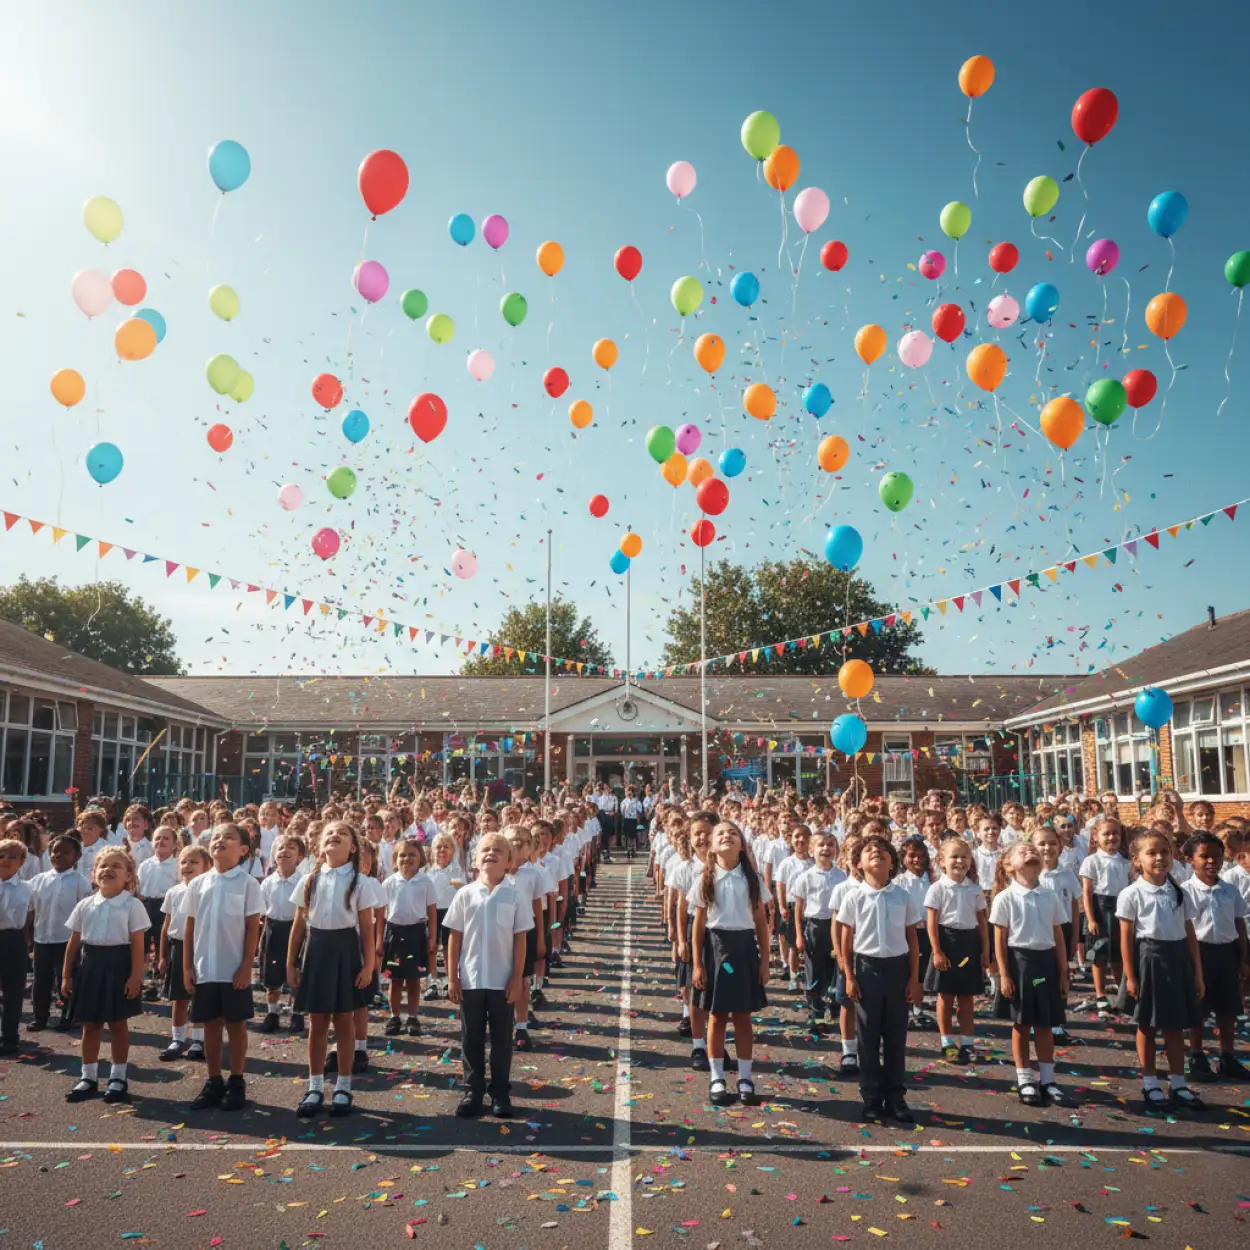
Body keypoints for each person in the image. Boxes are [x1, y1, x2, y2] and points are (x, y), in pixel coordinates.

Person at [288, 821, 376, 1119]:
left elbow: (366, 927)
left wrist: (369, 965)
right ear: (318, 845)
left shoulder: (360, 881)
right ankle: (314, 1086)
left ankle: (343, 1085)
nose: (334, 835)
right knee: (317, 1021)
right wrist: (291, 962)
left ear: (353, 847)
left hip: (345, 950)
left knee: (344, 1019)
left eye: (343, 833)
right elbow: (299, 924)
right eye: (329, 833)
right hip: (317, 950)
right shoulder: (309, 879)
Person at [446, 831, 532, 1120]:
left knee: (501, 1040)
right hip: (470, 980)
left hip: (502, 980)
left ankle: (500, 1092)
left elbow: (520, 939)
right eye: (485, 849)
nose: (490, 854)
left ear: (509, 861)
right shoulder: (465, 894)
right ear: (475, 859)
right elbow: (454, 938)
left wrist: (517, 977)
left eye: (498, 850)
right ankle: (473, 1090)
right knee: (470, 1038)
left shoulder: (515, 895)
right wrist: (452, 977)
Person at [1117, 830, 1206, 1111]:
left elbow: (1189, 933)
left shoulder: (1179, 892)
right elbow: (1126, 937)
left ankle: (1178, 1083)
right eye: (1151, 853)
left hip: (1177, 960)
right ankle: (1150, 1082)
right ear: (1137, 860)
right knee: (1147, 1024)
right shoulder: (1132, 894)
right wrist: (1130, 976)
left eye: (1165, 852)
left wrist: (1198, 973)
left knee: (1175, 1025)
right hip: (1149, 960)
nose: (1159, 858)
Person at [838, 835, 922, 1123]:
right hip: (866, 969)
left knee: (896, 1037)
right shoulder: (854, 896)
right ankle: (872, 1096)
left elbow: (912, 938)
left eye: (882, 850)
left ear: (892, 862)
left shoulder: (902, 896)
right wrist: (849, 976)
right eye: (869, 851)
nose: (876, 853)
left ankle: (896, 1096)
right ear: (859, 864)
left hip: (897, 970)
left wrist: (914, 979)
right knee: (868, 1037)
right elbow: (846, 942)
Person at [181, 822, 263, 1112]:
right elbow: (190, 927)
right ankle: (213, 1080)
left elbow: (253, 927)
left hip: (233, 968)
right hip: (205, 968)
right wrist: (187, 967)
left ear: (242, 850)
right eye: (216, 837)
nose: (220, 840)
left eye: (228, 837)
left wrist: (245, 966)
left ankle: (237, 1081)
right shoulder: (199, 884)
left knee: (236, 1026)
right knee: (210, 1026)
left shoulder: (248, 883)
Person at [691, 821, 770, 1108]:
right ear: (712, 846)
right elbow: (699, 924)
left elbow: (761, 922)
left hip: (744, 949)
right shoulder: (705, 878)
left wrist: (765, 961)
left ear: (742, 845)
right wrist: (697, 964)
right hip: (716, 949)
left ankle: (746, 1077)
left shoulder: (753, 879)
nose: (727, 836)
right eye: (720, 833)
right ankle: (717, 1076)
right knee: (717, 1015)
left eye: (733, 833)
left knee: (743, 1017)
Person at [62, 847, 150, 1103]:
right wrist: (67, 974)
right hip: (91, 966)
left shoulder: (132, 905)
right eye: (103, 865)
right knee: (90, 1024)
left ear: (128, 875)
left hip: (119, 967)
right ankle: (88, 1077)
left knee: (118, 1024)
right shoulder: (85, 905)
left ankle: (118, 1077)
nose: (108, 870)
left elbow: (137, 944)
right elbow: (74, 941)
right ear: (93, 873)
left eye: (116, 866)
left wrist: (136, 976)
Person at [990, 842, 1069, 1107]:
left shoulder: (1050, 896)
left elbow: (1058, 935)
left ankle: (1048, 1080)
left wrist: (1063, 971)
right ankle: (1025, 1078)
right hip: (1019, 963)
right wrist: (1004, 975)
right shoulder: (1005, 898)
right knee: (1022, 1024)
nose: (1031, 852)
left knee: (1045, 1023)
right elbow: (999, 939)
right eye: (1022, 851)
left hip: (1046, 963)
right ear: (1009, 865)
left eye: (1032, 849)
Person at [1180, 832, 1249, 1080]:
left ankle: (1227, 1056)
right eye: (1204, 856)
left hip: (1227, 952)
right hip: (1199, 953)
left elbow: (1239, 922)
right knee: (1199, 1007)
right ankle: (1197, 1055)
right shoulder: (1185, 892)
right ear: (1190, 860)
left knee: (1228, 1007)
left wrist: (1243, 957)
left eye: (1217, 856)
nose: (1211, 861)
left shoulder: (1230, 890)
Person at [923, 837, 988, 1064]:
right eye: (954, 857)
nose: (959, 861)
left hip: (969, 942)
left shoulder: (975, 890)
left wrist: (985, 951)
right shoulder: (937, 888)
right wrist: (937, 951)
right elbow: (932, 922)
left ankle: (967, 1042)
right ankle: (947, 1041)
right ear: (942, 861)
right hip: (946, 941)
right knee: (946, 996)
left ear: (970, 861)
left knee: (967, 996)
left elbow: (982, 921)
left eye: (964, 857)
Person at [26, 834, 91, 1034]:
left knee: (67, 979)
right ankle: (40, 1017)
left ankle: (67, 1017)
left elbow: (85, 912)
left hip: (67, 940)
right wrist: (28, 935)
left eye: (65, 852)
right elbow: (31, 909)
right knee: (41, 981)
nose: (58, 855)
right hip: (42, 938)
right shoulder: (38, 880)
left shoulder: (80, 882)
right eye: (55, 851)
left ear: (77, 856)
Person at [157, 844, 211, 1060]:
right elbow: (166, 925)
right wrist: (162, 956)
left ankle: (199, 1039)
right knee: (178, 997)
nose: (188, 866)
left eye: (194, 862)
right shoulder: (174, 892)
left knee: (198, 994)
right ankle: (178, 1038)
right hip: (177, 947)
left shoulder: (206, 891)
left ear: (207, 867)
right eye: (184, 861)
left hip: (200, 947)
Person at [382, 838, 438, 1037]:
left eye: (412, 854)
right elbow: (381, 913)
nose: (406, 858)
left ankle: (413, 1016)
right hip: (394, 934)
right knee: (395, 980)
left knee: (414, 980)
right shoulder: (389, 882)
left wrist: (432, 937)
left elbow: (432, 911)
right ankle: (394, 1016)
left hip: (416, 934)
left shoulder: (426, 882)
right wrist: (379, 940)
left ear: (420, 858)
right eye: (402, 855)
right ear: (395, 859)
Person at [791, 830, 846, 1034]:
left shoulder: (841, 876)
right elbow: (799, 907)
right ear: (811, 850)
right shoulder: (805, 877)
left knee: (835, 969)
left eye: (830, 844)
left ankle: (834, 1005)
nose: (826, 848)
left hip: (836, 927)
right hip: (814, 927)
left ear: (836, 850)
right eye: (821, 845)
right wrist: (798, 934)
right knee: (814, 971)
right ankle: (816, 1013)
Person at [1034, 824, 1082, 1047]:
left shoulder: (1066, 874)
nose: (1047, 848)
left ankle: (1057, 1023)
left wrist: (1074, 937)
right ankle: (1039, 1021)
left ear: (1060, 846)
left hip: (1062, 932)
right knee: (1039, 978)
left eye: (1052, 843)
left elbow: (1073, 904)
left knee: (1061, 976)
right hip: (1038, 932)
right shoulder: (1032, 874)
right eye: (1041, 843)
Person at [1080, 817, 1132, 1018]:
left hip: (1121, 909)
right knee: (1099, 954)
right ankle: (1100, 995)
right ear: (1095, 837)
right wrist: (1091, 918)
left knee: (1120, 955)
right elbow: (1087, 892)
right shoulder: (1091, 861)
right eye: (1106, 833)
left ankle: (1122, 995)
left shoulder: (1125, 862)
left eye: (1115, 833)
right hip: (1100, 908)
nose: (1112, 837)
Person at [258, 835, 305, 1034]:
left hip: (297, 930)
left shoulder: (303, 881)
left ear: (300, 857)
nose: (284, 851)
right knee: (272, 975)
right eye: (280, 848)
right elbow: (263, 914)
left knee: (296, 974)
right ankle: (272, 1012)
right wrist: (261, 940)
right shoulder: (268, 883)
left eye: (291, 848)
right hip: (273, 930)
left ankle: (297, 1012)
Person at [137, 826, 180, 1001]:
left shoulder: (176, 864)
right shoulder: (146, 865)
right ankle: (141, 981)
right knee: (143, 946)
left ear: (174, 844)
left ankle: (159, 982)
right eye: (157, 838)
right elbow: (139, 888)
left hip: (166, 907)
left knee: (163, 945)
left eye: (166, 838)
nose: (161, 842)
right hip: (147, 905)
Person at [0, 839, 32, 1054]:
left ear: (22, 861)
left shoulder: (27, 888)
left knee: (13, 991)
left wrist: (27, 943)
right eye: (1, 855)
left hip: (13, 940)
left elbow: (30, 917)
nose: (5, 860)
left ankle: (10, 1036)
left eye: (12, 857)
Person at [423, 833, 462, 1000]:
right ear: (432, 850)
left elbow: (462, 889)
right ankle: (432, 981)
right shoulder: (428, 872)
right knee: (431, 947)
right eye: (438, 847)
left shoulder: (457, 871)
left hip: (450, 913)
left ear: (453, 851)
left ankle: (449, 979)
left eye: (446, 847)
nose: (442, 850)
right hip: (432, 913)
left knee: (449, 948)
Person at [620, 787, 644, 860]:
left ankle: (634, 850)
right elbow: (622, 811)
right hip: (627, 819)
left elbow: (639, 810)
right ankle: (628, 849)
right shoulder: (624, 801)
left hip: (634, 820)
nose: (629, 793)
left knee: (633, 836)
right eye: (628, 792)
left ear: (633, 792)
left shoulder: (636, 801)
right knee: (628, 836)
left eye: (630, 792)